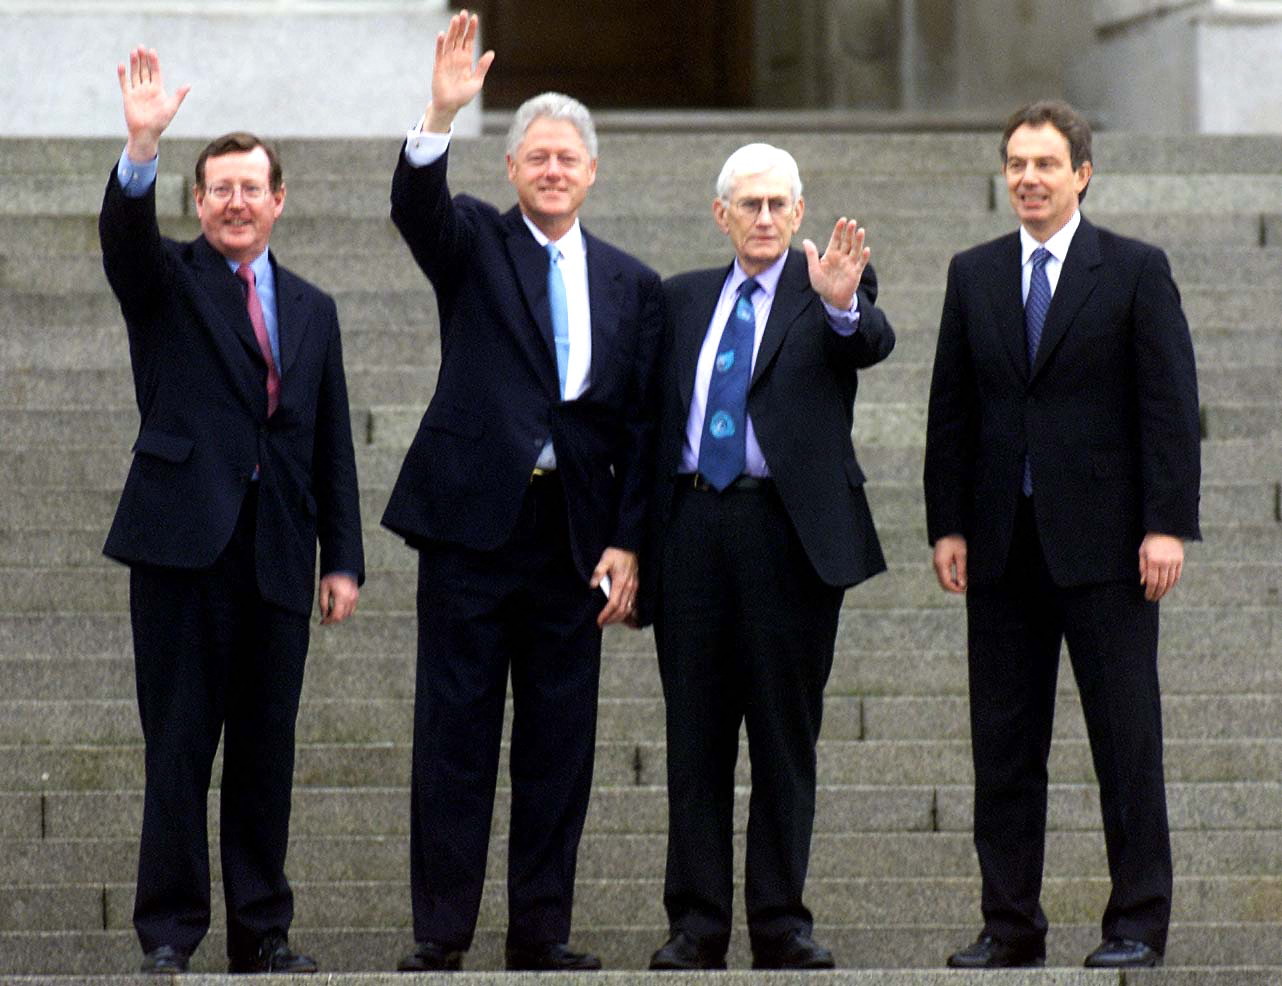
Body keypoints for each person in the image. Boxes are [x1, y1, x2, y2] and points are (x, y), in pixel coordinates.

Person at [379, 10, 663, 972]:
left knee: (559, 747)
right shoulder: (473, 245)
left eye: (566, 158)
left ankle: (542, 932)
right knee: (453, 736)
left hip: (573, 538)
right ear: (511, 171)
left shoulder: (632, 283)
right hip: (471, 527)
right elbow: (417, 210)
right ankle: (442, 931)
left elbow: (639, 427)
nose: (550, 169)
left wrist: (628, 541)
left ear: (591, 173)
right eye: (535, 155)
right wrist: (440, 116)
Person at [99, 47, 365, 975]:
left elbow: (330, 437)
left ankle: (263, 934)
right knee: (177, 751)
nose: (238, 203)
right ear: (199, 202)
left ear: (280, 200)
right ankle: (169, 934)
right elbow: (124, 243)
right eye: (220, 190)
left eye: (254, 188)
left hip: (280, 557)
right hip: (181, 548)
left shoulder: (316, 308)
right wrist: (142, 144)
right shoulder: (166, 281)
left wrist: (344, 557)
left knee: (264, 756)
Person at [923, 100, 1201, 970]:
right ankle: (1010, 925)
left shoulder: (1133, 270)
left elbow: (1168, 408)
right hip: (1003, 549)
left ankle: (1137, 923)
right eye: (1016, 164)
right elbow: (952, 414)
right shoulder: (973, 275)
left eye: (1046, 164)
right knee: (1005, 748)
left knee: (1126, 741)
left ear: (1082, 172)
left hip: (1111, 551)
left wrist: (1167, 526)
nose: (1029, 179)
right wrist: (949, 525)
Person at [640, 142, 894, 971]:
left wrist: (844, 304)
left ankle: (781, 923)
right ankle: (696, 924)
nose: (764, 218)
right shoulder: (678, 300)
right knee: (695, 740)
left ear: (799, 211)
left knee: (784, 739)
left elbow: (870, 341)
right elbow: (645, 424)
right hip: (692, 531)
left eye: (779, 205)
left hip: (787, 538)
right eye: (748, 205)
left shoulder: (827, 289)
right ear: (722, 215)